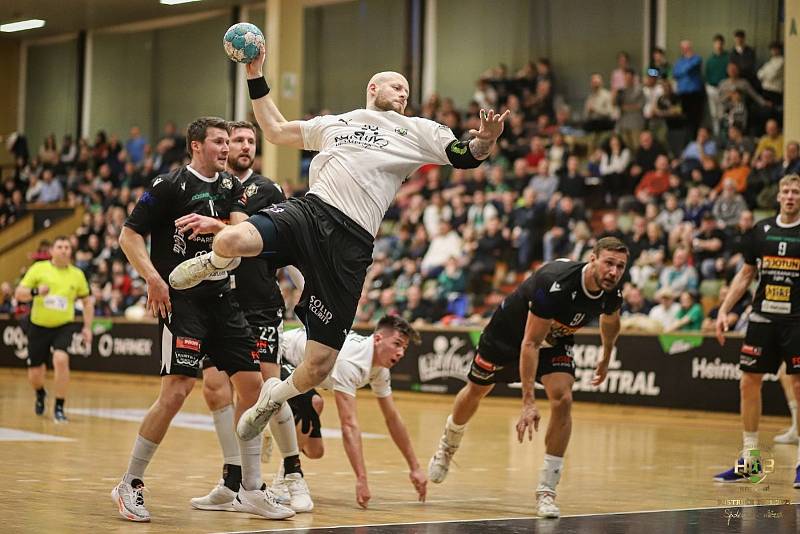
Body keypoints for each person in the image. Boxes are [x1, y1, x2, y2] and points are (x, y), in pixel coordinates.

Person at [168, 45, 509, 444]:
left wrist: (485, 141)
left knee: (318, 365)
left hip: (352, 245)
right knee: (231, 237)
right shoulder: (337, 123)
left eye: (407, 90)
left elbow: (465, 154)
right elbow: (276, 130)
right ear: (372, 87)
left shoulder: (418, 130)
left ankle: (272, 398)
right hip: (311, 213)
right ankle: (216, 262)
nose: (403, 93)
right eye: (396, 86)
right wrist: (254, 73)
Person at [112, 117, 294, 522]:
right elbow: (129, 235)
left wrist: (221, 225)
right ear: (197, 146)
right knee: (176, 392)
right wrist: (153, 279)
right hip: (181, 303)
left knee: (252, 390)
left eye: (229, 142)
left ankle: (250, 488)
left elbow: (244, 228)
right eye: (219, 142)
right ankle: (130, 483)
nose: (226, 148)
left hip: (224, 300)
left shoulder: (230, 186)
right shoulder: (168, 186)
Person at [427, 237, 629, 518]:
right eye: (609, 263)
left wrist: (606, 356)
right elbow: (529, 344)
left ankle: (547, 490)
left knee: (563, 399)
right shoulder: (555, 283)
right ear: (592, 258)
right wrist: (528, 403)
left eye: (620, 266)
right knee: (476, 391)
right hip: (508, 337)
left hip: (554, 342)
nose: (614, 272)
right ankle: (447, 447)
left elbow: (611, 321)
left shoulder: (613, 292)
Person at [183, 121, 312, 514]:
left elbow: (260, 239)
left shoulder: (266, 190)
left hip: (258, 303)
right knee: (214, 389)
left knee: (267, 391)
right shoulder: (211, 189)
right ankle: (232, 480)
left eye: (250, 141)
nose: (243, 146)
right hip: (217, 303)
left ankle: (293, 473)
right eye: (235, 139)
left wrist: (306, 290)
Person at [279, 316, 426, 508]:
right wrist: (361, 479)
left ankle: (274, 421)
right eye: (397, 344)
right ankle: (282, 482)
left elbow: (392, 418)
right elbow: (349, 425)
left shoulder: (380, 370)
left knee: (315, 451)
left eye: (404, 348)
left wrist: (415, 467)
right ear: (378, 339)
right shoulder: (350, 361)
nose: (400, 353)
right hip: (280, 354)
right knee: (314, 402)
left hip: (304, 367)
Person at [713, 174, 800, 488]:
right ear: (777, 196)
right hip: (762, 318)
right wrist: (724, 310)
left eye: (796, 192)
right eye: (786, 191)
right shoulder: (760, 231)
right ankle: (750, 459)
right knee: (748, 383)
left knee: (799, 386)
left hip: (796, 321)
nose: (790, 196)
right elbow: (745, 274)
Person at [14, 236, 93, 422]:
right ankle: (40, 393)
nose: (64, 250)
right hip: (38, 326)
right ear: (52, 251)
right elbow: (19, 294)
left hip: (64, 326)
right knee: (35, 374)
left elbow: (87, 302)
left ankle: (59, 407)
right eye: (60, 247)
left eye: (67, 247)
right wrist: (35, 292)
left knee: (61, 359)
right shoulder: (39, 269)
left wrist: (87, 328)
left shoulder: (77, 274)